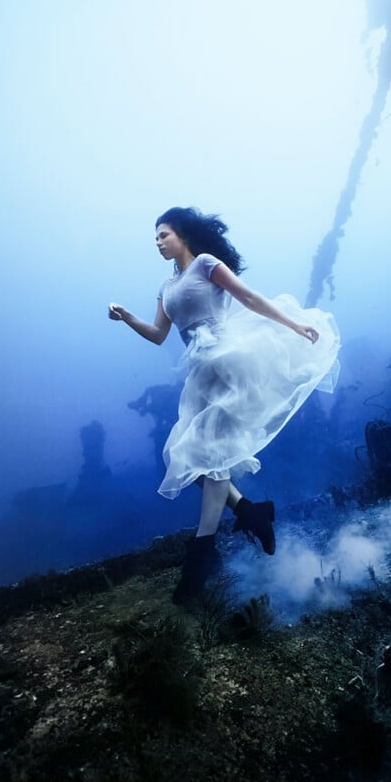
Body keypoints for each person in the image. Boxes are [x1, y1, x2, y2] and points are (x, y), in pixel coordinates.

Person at [109, 207, 340, 603]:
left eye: (163, 234)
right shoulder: (166, 288)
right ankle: (251, 512)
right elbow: (158, 335)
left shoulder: (205, 263)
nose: (158, 242)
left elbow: (248, 297)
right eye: (155, 238)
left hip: (228, 360)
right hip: (199, 372)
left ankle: (201, 557)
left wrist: (294, 325)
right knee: (186, 458)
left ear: (183, 235)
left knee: (211, 458)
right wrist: (128, 316)